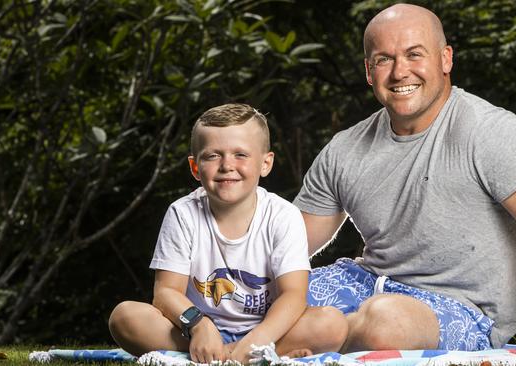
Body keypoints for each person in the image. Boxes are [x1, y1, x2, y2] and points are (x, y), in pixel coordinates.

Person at [295, 4, 516, 358]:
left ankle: (302, 339)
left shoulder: (492, 134)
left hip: (460, 311)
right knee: (259, 297)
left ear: (445, 59)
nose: (400, 71)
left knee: (384, 322)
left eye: (414, 55)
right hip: (365, 285)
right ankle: (297, 339)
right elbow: (287, 242)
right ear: (369, 71)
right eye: (384, 59)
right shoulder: (345, 149)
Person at [108, 103, 347, 364]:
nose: (226, 166)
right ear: (195, 167)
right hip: (196, 332)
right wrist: (199, 326)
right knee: (125, 317)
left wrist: (256, 340)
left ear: (265, 163)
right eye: (212, 156)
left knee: (331, 324)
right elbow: (166, 292)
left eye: (240, 155)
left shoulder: (283, 215)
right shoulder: (182, 214)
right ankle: (253, 357)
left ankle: (233, 356)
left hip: (267, 330)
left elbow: (293, 295)